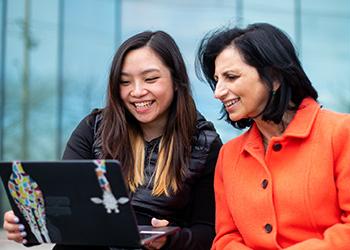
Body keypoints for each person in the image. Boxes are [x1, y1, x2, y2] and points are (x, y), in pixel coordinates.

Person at [3, 30, 222, 250]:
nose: (136, 92)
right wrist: (29, 226)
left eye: (151, 79)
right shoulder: (94, 127)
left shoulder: (204, 144)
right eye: (125, 82)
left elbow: (208, 233)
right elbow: (64, 206)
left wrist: (170, 240)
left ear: (176, 81)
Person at [196, 22, 350, 249]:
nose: (218, 92)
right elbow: (226, 238)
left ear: (274, 78)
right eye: (217, 80)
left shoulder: (343, 131)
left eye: (231, 77)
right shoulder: (229, 155)